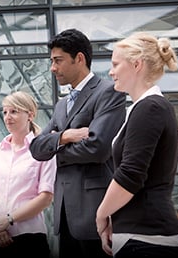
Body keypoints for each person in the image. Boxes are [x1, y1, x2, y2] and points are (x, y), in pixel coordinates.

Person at [29, 28, 127, 258]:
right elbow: (36, 148)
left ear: (79, 58)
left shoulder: (108, 92)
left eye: (58, 61)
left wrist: (56, 149)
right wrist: (65, 137)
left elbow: (98, 148)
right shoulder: (62, 105)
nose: (53, 68)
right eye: (52, 61)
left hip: (95, 213)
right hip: (65, 214)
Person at [96, 32, 178, 258]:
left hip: (147, 240)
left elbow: (130, 174)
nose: (110, 71)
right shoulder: (143, 108)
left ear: (136, 64)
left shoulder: (150, 108)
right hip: (141, 237)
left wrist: (101, 215)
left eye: (116, 64)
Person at [0, 91, 57, 258]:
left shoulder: (43, 151)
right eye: (5, 112)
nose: (8, 117)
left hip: (30, 240)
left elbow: (46, 197)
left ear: (30, 115)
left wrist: (7, 220)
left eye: (14, 111)